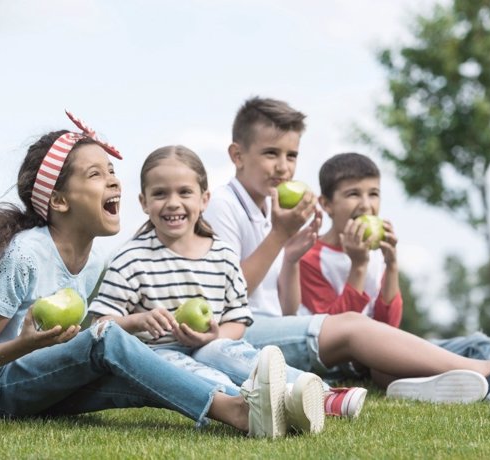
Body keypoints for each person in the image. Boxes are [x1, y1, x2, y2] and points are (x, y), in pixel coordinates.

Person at [0, 111, 296, 438]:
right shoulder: (24, 255)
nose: (114, 181)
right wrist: (28, 343)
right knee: (106, 339)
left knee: (136, 364)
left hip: (30, 380)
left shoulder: (95, 257)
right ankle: (235, 411)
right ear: (59, 200)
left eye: (113, 171)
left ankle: (266, 402)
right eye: (96, 174)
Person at [202, 95, 490, 403]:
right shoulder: (223, 205)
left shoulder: (271, 208)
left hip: (271, 325)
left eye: (291, 155)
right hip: (237, 334)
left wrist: (290, 256)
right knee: (354, 328)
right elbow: (226, 298)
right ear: (237, 154)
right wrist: (280, 238)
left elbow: (285, 309)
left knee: (412, 338)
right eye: (270, 154)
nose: (283, 167)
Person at [300, 151, 490, 396]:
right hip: (352, 363)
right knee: (384, 367)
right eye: (353, 194)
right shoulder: (312, 258)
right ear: (326, 204)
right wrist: (359, 266)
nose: (366, 204)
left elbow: (390, 324)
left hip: (380, 346)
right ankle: (467, 380)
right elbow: (332, 332)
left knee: (477, 343)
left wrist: (391, 266)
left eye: (373, 193)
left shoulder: (374, 253)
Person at [88, 145, 325, 433]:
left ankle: (321, 395)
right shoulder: (130, 259)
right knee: (179, 365)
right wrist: (135, 320)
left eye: (184, 193)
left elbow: (237, 319)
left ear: (204, 199)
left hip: (210, 344)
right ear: (144, 202)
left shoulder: (222, 256)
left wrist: (214, 335)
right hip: (157, 353)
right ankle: (253, 404)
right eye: (160, 193)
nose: (173, 202)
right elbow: (99, 326)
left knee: (226, 351)